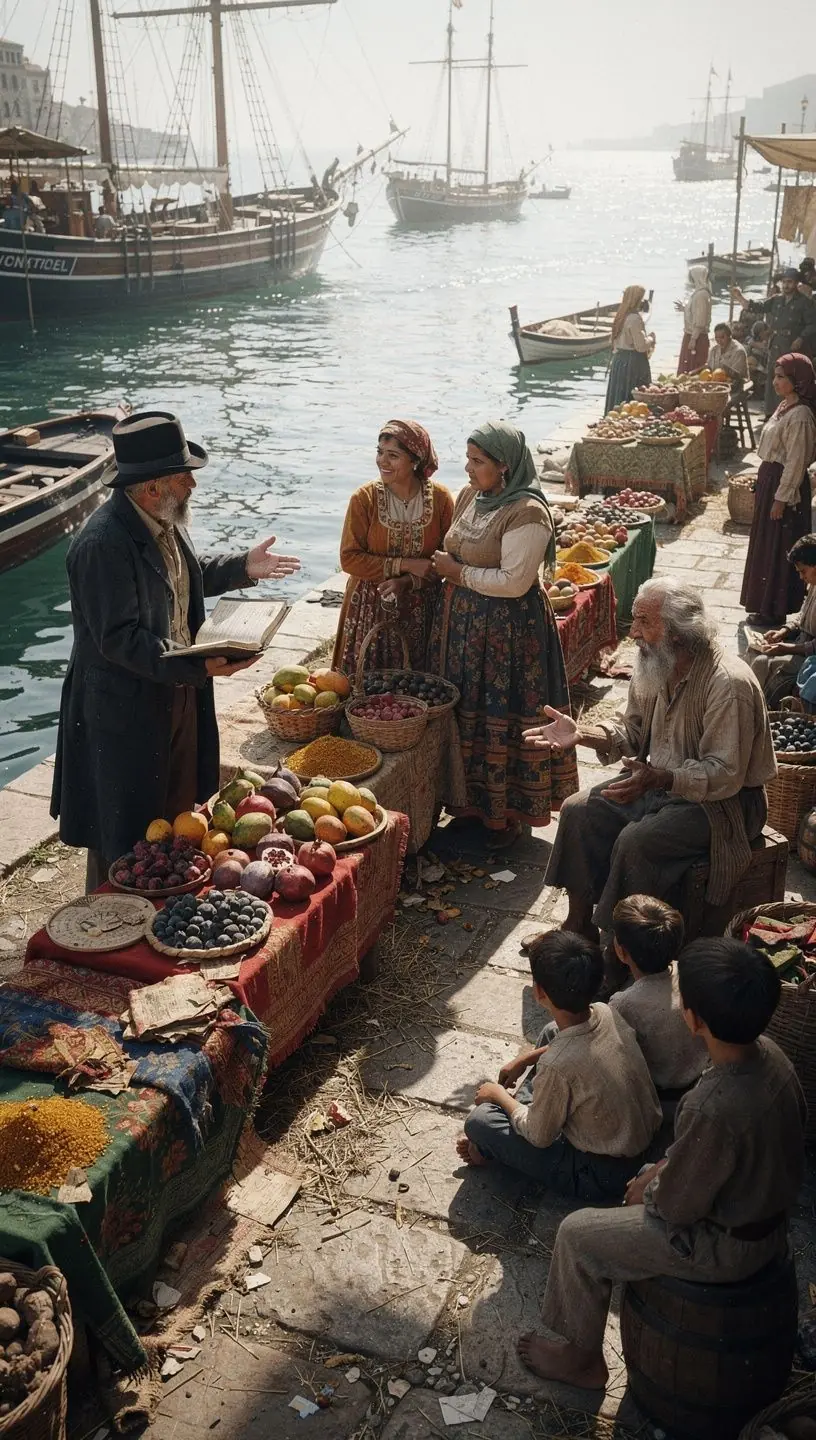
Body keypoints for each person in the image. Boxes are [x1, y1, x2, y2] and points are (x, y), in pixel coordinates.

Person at [515, 937, 806, 1390]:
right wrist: (660, 1169)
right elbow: (706, 1155)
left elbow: (675, 1208)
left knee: (577, 1235)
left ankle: (582, 1359)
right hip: (764, 1220)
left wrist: (649, 1188)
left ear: (693, 1017)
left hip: (726, 1247)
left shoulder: (713, 1105)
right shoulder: (775, 1058)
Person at [50, 411, 301, 892]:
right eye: (184, 476)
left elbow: (182, 575)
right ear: (151, 488)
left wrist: (242, 566)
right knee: (123, 828)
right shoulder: (102, 545)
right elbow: (119, 639)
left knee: (172, 807)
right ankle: (110, 922)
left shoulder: (161, 516)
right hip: (123, 709)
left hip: (174, 689)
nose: (192, 483)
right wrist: (196, 663)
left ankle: (163, 902)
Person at [524, 577, 776, 938]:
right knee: (579, 811)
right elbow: (633, 730)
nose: (634, 633)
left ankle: (624, 951)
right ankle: (578, 925)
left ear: (676, 632)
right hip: (661, 784)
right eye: (634, 620)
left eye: (644, 622)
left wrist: (660, 779)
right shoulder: (656, 664)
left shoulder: (726, 683)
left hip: (726, 803)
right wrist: (583, 734)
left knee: (637, 840)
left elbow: (725, 773)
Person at [428, 421, 577, 846]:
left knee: (502, 714)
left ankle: (504, 815)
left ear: (505, 467)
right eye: (469, 459)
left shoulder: (528, 512)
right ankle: (468, 802)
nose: (469, 468)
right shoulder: (470, 496)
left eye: (478, 462)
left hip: (508, 635)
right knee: (468, 710)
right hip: (465, 627)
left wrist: (456, 572)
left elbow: (514, 581)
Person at [457, 931, 661, 1202]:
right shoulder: (604, 1010)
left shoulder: (558, 1066)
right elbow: (568, 1048)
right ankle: (525, 1115)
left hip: (599, 1175)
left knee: (480, 1121)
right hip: (637, 1140)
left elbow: (539, 1136)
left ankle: (493, 1147)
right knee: (553, 1031)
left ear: (539, 992)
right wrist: (525, 1059)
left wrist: (498, 1096)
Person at [332, 421, 452, 678]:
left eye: (393, 455)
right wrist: (405, 565)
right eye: (380, 452)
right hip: (370, 606)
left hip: (423, 608)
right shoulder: (364, 499)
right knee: (366, 686)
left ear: (415, 461)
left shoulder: (441, 499)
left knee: (419, 686)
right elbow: (349, 559)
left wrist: (409, 582)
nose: (382, 462)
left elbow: (449, 556)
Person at [740, 354, 816, 626]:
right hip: (770, 479)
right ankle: (762, 603)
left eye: (782, 376)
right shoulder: (784, 406)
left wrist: (781, 498)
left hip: (785, 485)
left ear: (797, 380)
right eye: (775, 375)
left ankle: (775, 609)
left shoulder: (801, 416)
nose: (775, 381)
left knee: (778, 545)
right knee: (765, 544)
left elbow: (796, 462)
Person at [609, 895, 706, 1104]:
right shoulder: (688, 971)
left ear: (622, 951)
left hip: (658, 1093)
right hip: (697, 1078)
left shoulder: (623, 1004)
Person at [732, 269, 816, 416]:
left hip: (793, 346)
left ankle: (791, 413)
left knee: (790, 379)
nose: (786, 285)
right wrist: (740, 297)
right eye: (784, 282)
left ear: (796, 283)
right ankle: (771, 413)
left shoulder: (805, 303)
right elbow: (758, 306)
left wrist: (801, 338)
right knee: (774, 378)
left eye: (789, 282)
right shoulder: (776, 300)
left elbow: (812, 325)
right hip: (776, 344)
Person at [749, 533, 816, 704]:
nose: (802, 577)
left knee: (768, 664)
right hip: (800, 642)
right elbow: (803, 614)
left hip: (810, 658)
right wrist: (783, 631)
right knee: (754, 654)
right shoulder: (813, 585)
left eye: (804, 571)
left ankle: (762, 708)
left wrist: (788, 649)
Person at [604, 285, 655, 414]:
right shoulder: (634, 319)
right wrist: (651, 339)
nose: (643, 301)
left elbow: (613, 341)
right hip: (633, 363)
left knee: (618, 394)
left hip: (620, 360)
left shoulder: (621, 316)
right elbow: (640, 346)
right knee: (632, 399)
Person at [676, 266, 712, 374]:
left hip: (696, 337)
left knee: (692, 367)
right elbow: (696, 313)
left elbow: (700, 320)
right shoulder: (700, 293)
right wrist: (685, 309)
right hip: (693, 335)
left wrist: (693, 339)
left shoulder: (701, 295)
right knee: (688, 366)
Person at [705, 321, 748, 389]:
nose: (719, 340)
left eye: (722, 337)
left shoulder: (739, 351)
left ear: (729, 336)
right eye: (716, 337)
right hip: (715, 384)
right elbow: (709, 368)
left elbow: (739, 377)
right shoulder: (714, 350)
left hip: (735, 386)